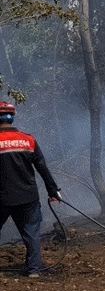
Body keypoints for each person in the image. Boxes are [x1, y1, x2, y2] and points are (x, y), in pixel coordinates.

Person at [0, 101, 62, 277]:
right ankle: (34, 270)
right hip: (28, 197)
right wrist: (53, 191)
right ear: (12, 117)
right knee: (32, 233)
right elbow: (42, 167)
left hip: (2, 198)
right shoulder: (28, 140)